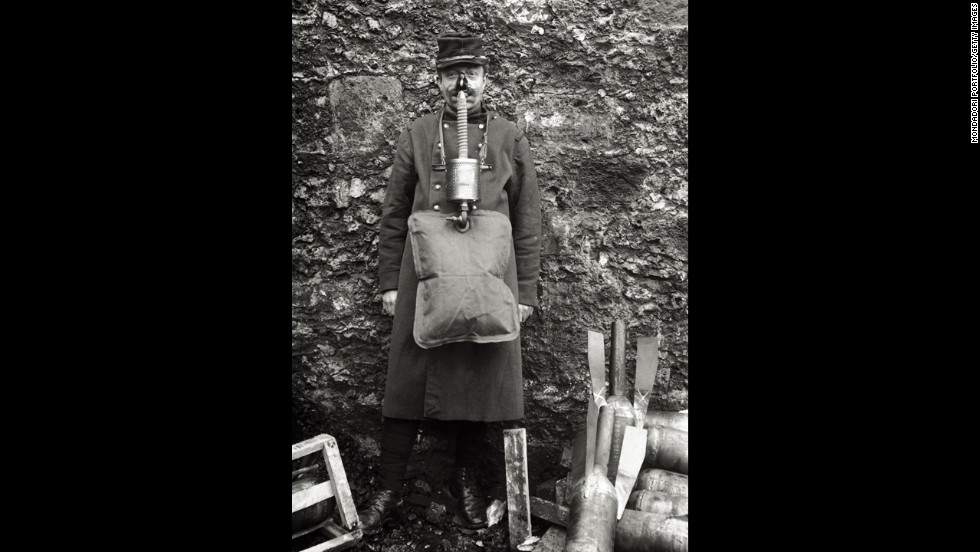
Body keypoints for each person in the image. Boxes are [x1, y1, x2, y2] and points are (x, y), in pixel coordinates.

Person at [357, 32, 541, 534]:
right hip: (425, 273)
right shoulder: (418, 134)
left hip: (488, 275)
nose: (463, 85)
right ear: (438, 81)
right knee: (408, 377)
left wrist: (524, 292)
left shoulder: (508, 138)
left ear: (486, 79)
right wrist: (388, 283)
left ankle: (464, 479)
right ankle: (390, 487)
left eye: (473, 74)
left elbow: (527, 220)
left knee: (478, 376)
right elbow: (395, 212)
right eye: (451, 75)